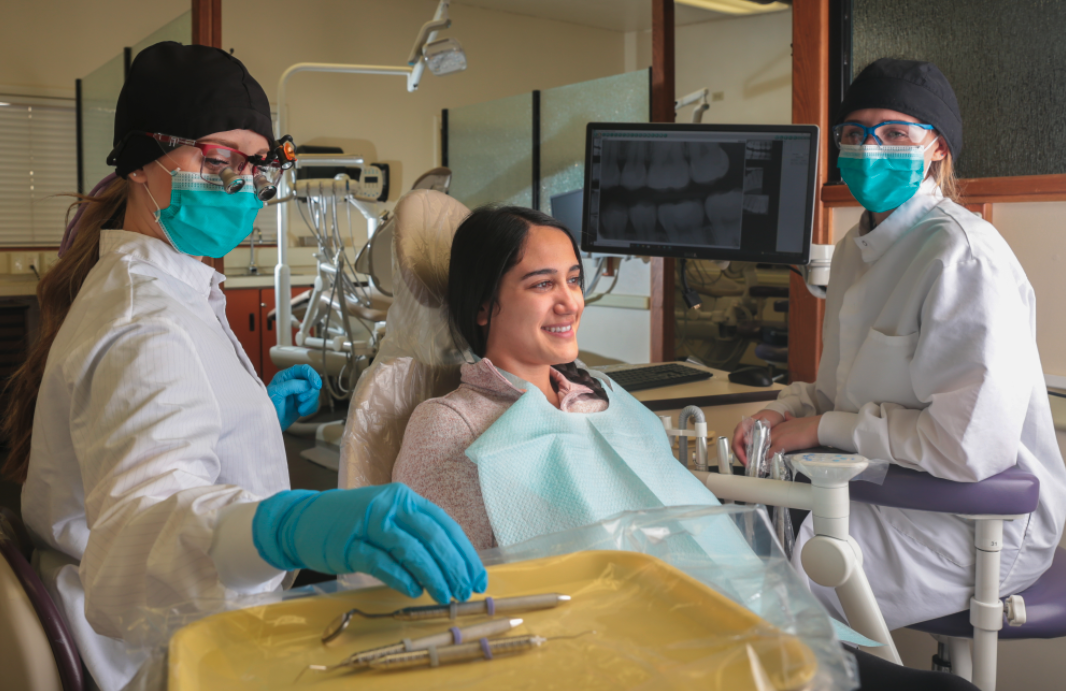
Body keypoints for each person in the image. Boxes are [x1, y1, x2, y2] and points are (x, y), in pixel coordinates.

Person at [1, 42, 485, 691]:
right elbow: (139, 541)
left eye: (257, 167)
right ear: (142, 161)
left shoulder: (156, 286)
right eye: (218, 159)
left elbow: (147, 423)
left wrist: (248, 411)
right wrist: (289, 525)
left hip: (176, 621)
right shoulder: (145, 322)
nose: (242, 187)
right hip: (164, 649)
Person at [732, 58, 1066, 630]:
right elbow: (841, 390)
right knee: (729, 529)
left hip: (971, 523)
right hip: (883, 490)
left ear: (936, 148)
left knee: (755, 571)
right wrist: (785, 411)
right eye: (854, 134)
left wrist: (820, 429)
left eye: (893, 133)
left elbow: (966, 448)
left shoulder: (963, 255)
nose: (868, 149)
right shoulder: (853, 250)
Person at [392, 206, 614, 550]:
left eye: (573, 280)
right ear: (482, 305)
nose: (570, 302)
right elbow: (443, 580)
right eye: (543, 284)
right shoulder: (451, 425)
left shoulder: (593, 399)